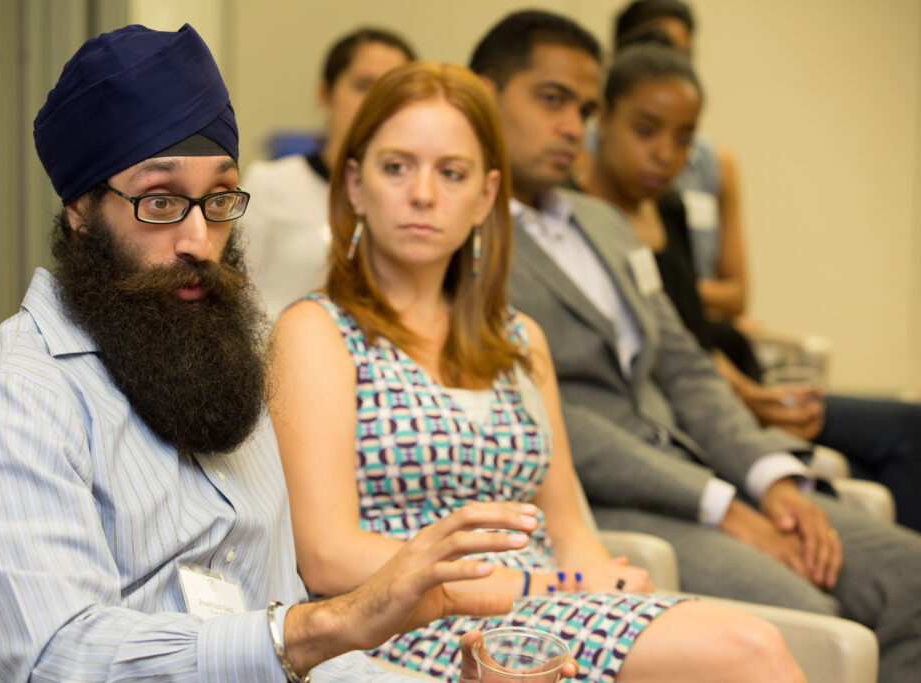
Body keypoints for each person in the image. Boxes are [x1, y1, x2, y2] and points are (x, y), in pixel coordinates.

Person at [0, 24, 572, 683]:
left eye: (219, 199)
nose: (199, 237)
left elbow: (301, 657)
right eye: (161, 200)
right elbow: (59, 661)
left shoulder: (220, 375)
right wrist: (326, 621)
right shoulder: (8, 399)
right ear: (79, 208)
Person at [268, 59, 804, 683]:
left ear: (485, 196)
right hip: (406, 626)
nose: (422, 193)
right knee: (749, 649)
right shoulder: (317, 331)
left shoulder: (520, 340)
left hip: (548, 611)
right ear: (356, 186)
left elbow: (568, 526)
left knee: (748, 646)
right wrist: (547, 581)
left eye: (451, 173)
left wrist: (605, 582)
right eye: (396, 167)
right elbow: (328, 556)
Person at [468, 9, 921, 683]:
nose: (573, 127)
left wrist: (773, 481)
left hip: (711, 472)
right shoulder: (471, 238)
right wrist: (721, 503)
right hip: (617, 503)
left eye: (585, 107)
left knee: (910, 574)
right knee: (815, 616)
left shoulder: (604, 221)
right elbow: (555, 419)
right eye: (552, 98)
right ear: (483, 92)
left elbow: (685, 367)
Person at [609, 0, 921, 533]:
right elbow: (674, 357)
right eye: (647, 129)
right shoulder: (591, 220)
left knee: (886, 454)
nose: (666, 153)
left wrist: (755, 395)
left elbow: (693, 338)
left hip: (727, 377)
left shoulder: (670, 206)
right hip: (698, 406)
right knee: (898, 438)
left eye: (683, 137)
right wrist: (749, 401)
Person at [243, 27, 416, 318]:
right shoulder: (271, 183)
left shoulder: (416, 196)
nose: (378, 102)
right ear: (325, 94)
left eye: (392, 90)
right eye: (363, 85)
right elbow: (231, 294)